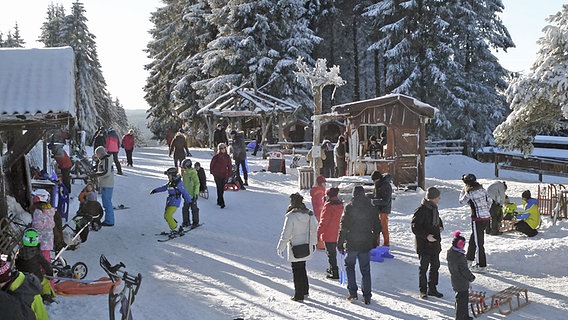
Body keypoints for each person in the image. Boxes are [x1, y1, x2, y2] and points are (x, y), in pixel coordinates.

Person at [337, 186, 381, 305]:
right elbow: (378, 226)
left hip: (352, 243)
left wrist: (340, 243)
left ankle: (353, 293)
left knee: (349, 266)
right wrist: (374, 239)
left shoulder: (350, 208)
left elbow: (344, 227)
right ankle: (367, 296)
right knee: (365, 269)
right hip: (366, 242)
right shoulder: (371, 208)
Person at [276, 193, 318, 302]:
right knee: (302, 267)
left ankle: (298, 295)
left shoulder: (291, 216)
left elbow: (286, 234)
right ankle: (305, 290)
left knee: (296, 270)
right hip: (306, 245)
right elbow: (314, 230)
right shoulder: (309, 214)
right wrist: (313, 243)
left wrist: (280, 247)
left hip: (294, 246)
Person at [411, 187, 444, 299]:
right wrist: (426, 236)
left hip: (435, 244)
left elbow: (438, 221)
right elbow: (415, 227)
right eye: (438, 197)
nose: (439, 199)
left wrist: (440, 227)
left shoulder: (434, 209)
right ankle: (423, 290)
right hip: (424, 245)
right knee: (423, 268)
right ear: (433, 198)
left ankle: (433, 289)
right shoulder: (421, 210)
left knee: (435, 267)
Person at [459, 173, 492, 273]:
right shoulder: (482, 189)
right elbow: (490, 200)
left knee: (479, 243)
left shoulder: (469, 193)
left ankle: (481, 265)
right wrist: (486, 210)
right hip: (486, 217)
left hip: (477, 219)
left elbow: (461, 201)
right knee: (474, 238)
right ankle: (469, 259)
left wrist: (463, 191)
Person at [15, 228, 55, 303]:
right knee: (46, 281)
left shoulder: (20, 252)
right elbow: (46, 265)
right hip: (36, 278)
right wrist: (50, 273)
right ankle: (46, 296)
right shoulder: (37, 254)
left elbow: (16, 263)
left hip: (22, 278)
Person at [150, 168, 192, 235]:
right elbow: (164, 188)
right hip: (170, 201)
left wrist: (189, 201)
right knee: (166, 216)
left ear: (173, 176)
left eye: (169, 176)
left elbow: (184, 192)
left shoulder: (178, 183)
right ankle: (177, 227)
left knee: (167, 215)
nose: (168, 177)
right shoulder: (171, 183)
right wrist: (155, 190)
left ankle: (175, 229)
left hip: (175, 201)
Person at [447, 230, 476, 320]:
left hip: (456, 281)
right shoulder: (460, 258)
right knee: (461, 301)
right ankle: (460, 317)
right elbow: (464, 271)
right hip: (461, 282)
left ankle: (465, 316)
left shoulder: (451, 253)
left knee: (463, 300)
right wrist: (471, 277)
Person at [317, 187, 343, 279]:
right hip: (337, 231)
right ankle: (332, 268)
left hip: (328, 233)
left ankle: (334, 272)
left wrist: (318, 232)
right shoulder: (340, 204)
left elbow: (323, 222)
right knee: (332, 252)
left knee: (330, 253)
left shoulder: (328, 206)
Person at [30, 189, 55, 262]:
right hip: (48, 237)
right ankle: (46, 268)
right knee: (46, 255)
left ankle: (45, 271)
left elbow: (37, 226)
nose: (33, 198)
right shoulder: (49, 210)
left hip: (40, 239)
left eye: (35, 196)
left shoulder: (38, 211)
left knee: (42, 258)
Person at [94, 146, 115, 227]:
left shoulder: (106, 160)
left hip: (107, 184)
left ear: (100, 153)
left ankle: (109, 221)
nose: (97, 156)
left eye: (97, 154)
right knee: (107, 203)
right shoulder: (105, 159)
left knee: (107, 203)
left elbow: (106, 172)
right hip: (106, 184)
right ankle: (109, 219)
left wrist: (96, 174)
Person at [372, 170, 393, 247]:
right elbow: (376, 196)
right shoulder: (378, 184)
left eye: (375, 180)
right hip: (377, 208)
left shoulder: (386, 186)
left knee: (384, 228)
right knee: (376, 227)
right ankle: (376, 243)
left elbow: (385, 201)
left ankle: (386, 244)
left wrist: (374, 201)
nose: (374, 182)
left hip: (384, 209)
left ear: (378, 178)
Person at [210, 143, 232, 209]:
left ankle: (219, 200)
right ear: (219, 149)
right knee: (219, 187)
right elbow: (212, 165)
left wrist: (229, 174)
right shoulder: (216, 157)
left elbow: (229, 166)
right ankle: (222, 202)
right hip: (217, 174)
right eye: (221, 148)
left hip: (224, 174)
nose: (223, 149)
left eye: (224, 148)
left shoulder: (227, 157)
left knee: (222, 188)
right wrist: (212, 172)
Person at [181, 159, 200, 228]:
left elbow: (197, 184)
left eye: (184, 167)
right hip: (186, 195)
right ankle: (186, 221)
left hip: (192, 195)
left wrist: (195, 194)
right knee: (185, 209)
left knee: (194, 209)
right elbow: (184, 184)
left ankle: (195, 222)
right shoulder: (185, 173)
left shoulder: (193, 173)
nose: (183, 168)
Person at [310, 175, 326, 250]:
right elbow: (320, 203)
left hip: (317, 212)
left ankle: (319, 243)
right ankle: (321, 244)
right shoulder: (320, 191)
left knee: (320, 227)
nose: (325, 184)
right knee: (322, 228)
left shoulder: (316, 190)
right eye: (324, 183)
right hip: (320, 212)